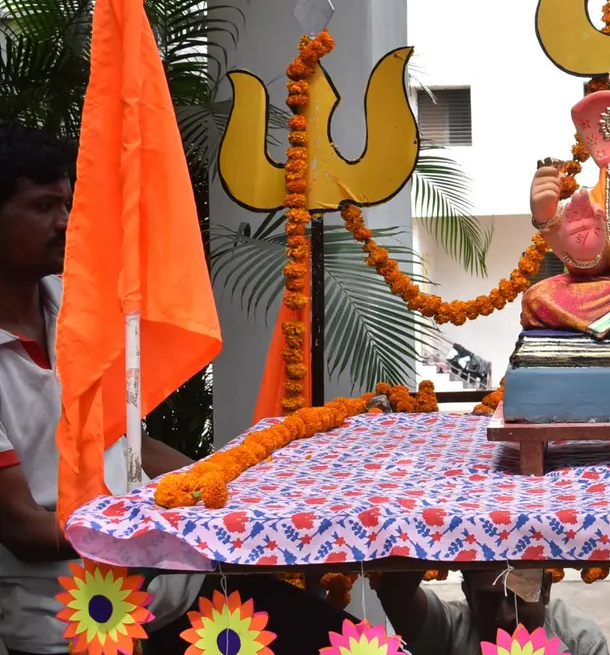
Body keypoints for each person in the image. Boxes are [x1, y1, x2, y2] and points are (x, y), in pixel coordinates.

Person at [0, 124, 349, 655]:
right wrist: (156, 521)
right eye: (44, 206)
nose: (66, 221)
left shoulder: (77, 307)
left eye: (68, 204)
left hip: (177, 592)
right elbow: (24, 528)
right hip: (75, 623)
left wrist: (241, 489)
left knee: (345, 642)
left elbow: (131, 446)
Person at [378, 568, 607, 655]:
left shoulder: (580, 641)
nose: (506, 616)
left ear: (545, 589)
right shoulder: (451, 629)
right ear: (468, 595)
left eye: (518, 598)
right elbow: (394, 592)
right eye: (488, 600)